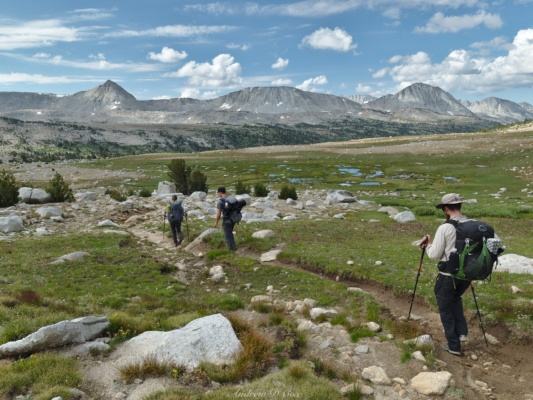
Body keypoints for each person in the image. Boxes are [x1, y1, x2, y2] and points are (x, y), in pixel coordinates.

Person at [419, 193, 471, 356]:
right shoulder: (471, 224)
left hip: (448, 275)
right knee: (455, 299)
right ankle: (462, 332)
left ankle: (454, 346)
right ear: (460, 206)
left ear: (446, 209)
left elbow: (434, 254)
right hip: (466, 275)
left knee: (445, 308)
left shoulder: (445, 227)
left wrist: (428, 245)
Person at [214, 187, 237, 251]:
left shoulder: (221, 201)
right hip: (234, 218)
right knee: (230, 233)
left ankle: (232, 250)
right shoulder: (231, 198)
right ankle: (234, 246)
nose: (218, 194)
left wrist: (216, 222)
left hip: (227, 220)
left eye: (218, 193)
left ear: (220, 192)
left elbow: (219, 214)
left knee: (227, 235)